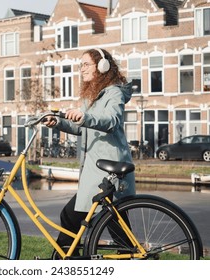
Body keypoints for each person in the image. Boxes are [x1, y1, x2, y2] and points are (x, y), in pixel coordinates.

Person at [43, 48, 135, 258]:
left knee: (74, 215)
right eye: (80, 65)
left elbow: (111, 121)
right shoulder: (91, 96)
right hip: (96, 168)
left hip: (107, 166)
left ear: (102, 66)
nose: (81, 69)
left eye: (85, 65)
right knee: (113, 222)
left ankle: (64, 261)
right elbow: (79, 126)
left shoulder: (114, 92)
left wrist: (85, 116)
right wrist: (57, 122)